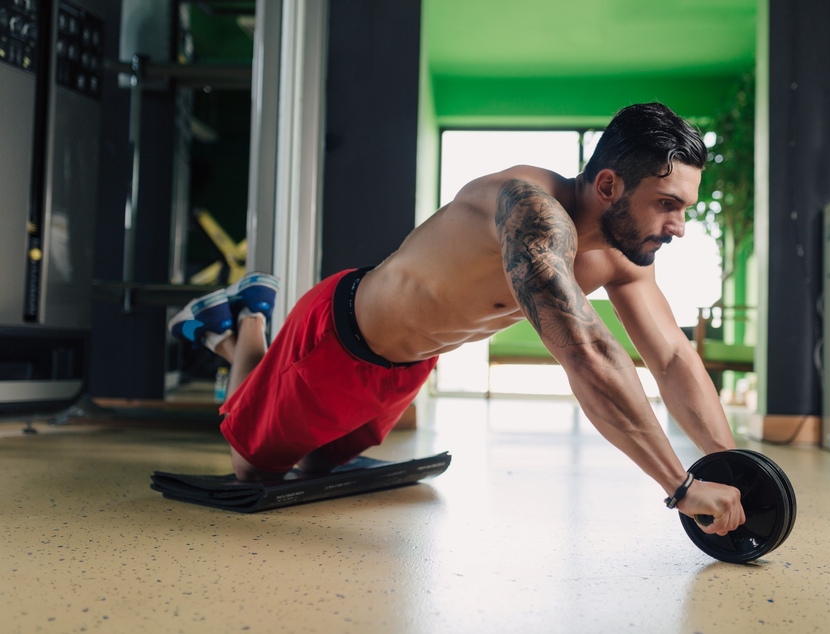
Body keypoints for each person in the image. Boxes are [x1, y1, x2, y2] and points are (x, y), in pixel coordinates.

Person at [168, 102, 745, 536]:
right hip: (338, 338)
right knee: (253, 466)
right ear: (609, 185)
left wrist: (734, 467)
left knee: (321, 463)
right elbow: (587, 353)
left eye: (684, 209)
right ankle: (246, 320)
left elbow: (672, 357)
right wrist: (681, 486)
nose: (678, 227)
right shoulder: (531, 212)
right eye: (666, 204)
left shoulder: (625, 257)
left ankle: (237, 331)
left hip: (410, 366)